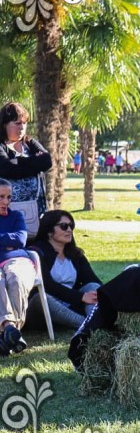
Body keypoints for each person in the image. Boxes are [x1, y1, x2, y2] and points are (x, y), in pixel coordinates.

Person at [27, 210, 101, 329]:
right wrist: (80, 297)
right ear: (49, 231)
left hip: (70, 303)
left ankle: (94, 320)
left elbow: (92, 279)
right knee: (41, 298)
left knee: (93, 286)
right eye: (64, 226)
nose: (69, 230)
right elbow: (48, 285)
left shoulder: (75, 254)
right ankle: (85, 325)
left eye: (71, 226)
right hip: (44, 308)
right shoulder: (36, 252)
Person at [0, 102, 52, 235]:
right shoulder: (1, 146)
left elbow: (47, 162)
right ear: (5, 124)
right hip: (8, 213)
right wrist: (35, 164)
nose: (22, 127)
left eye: (24, 123)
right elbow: (8, 170)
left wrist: (19, 161)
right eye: (17, 123)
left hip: (37, 210)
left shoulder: (30, 143)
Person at [0, 178, 37, 356]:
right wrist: (7, 240)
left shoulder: (16, 216)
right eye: (1, 197)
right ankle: (11, 333)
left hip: (18, 260)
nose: (6, 202)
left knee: (15, 278)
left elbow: (21, 239)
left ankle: (7, 333)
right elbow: (13, 239)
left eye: (9, 197)